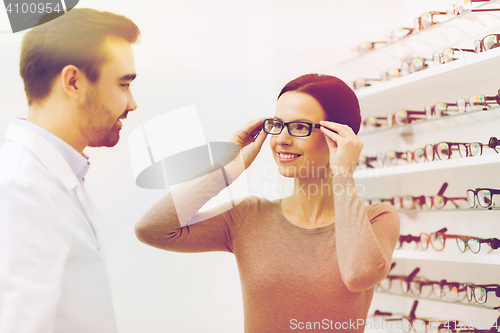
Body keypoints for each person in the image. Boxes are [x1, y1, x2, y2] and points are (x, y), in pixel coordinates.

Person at [134, 74, 400, 332]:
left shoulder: (378, 219)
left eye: (299, 127)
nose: (281, 140)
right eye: (277, 125)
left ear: (339, 137)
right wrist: (227, 168)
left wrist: (343, 173)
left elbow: (359, 275)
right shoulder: (248, 216)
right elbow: (153, 229)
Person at [0, 8, 140, 333]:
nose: (132, 103)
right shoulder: (19, 187)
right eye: (123, 84)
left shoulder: (54, 177)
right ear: (73, 81)